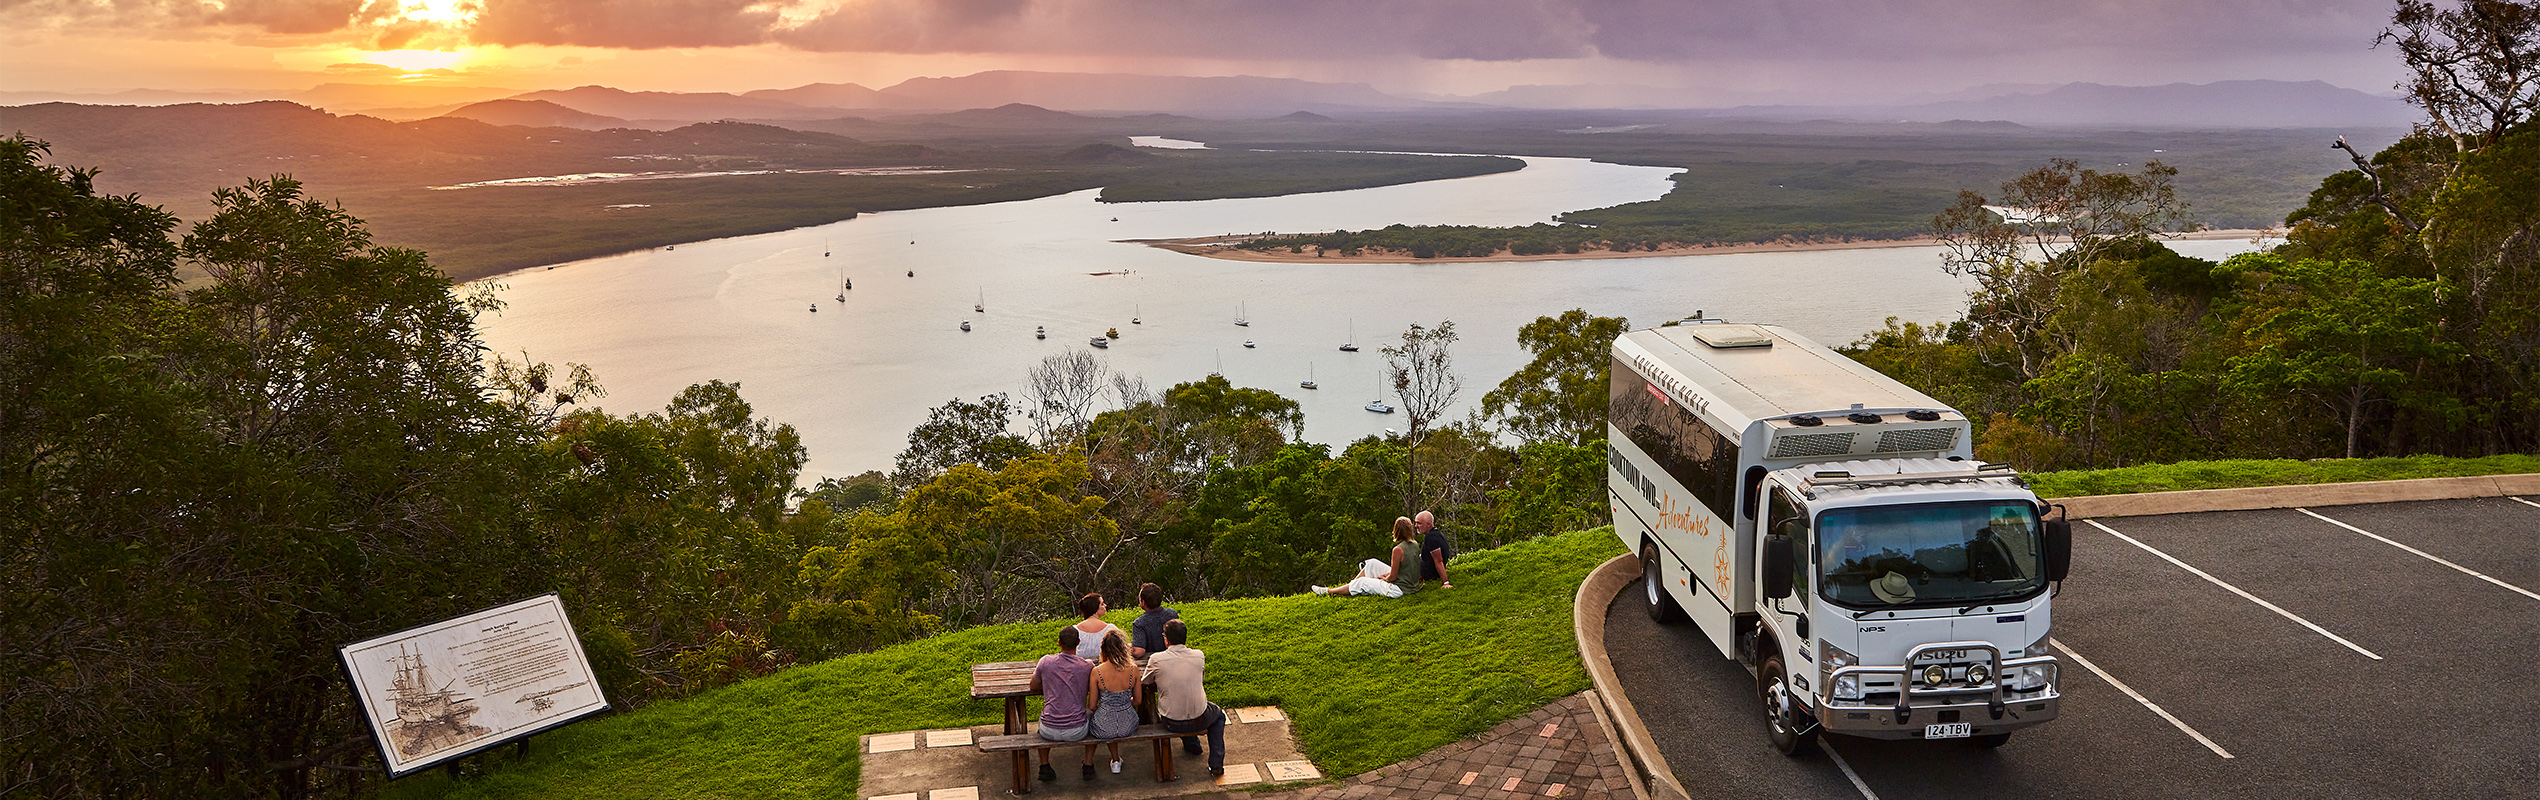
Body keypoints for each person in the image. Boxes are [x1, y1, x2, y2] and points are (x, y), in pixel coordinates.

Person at [1148, 619, 1226, 776]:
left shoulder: (1156, 659)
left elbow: (1147, 682)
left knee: (1178, 705)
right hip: (1200, 718)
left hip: (1171, 721)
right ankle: (1216, 763)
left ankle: (1192, 744)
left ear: (1166, 639)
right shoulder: (1198, 655)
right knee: (1217, 715)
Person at [1028, 626, 1100, 781]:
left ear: (1059, 642)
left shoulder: (1046, 661)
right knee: (1094, 720)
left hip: (1048, 729)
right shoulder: (1087, 666)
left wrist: (1051, 683)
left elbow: (1033, 685)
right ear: (1078, 642)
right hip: (1076, 730)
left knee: (1043, 718)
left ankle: (1044, 766)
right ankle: (1088, 765)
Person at [1310, 517, 1420, 598]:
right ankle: (1350, 587)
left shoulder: (1398, 550)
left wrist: (1385, 579)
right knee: (1372, 563)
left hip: (1400, 590)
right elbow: (1405, 568)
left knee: (1362, 582)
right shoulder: (1415, 544)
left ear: (1396, 530)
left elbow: (1393, 577)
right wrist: (1387, 575)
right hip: (1411, 583)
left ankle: (1329, 591)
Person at [1085, 630, 1143, 775]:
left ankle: (1090, 762)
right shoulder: (1133, 669)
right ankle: (1115, 761)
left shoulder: (1096, 671)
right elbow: (1138, 701)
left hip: (1104, 724)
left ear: (1103, 649)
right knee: (1112, 723)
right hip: (1128, 724)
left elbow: (1092, 706)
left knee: (1094, 720)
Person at [1129, 582, 1180, 660]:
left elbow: (1139, 651)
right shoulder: (1172, 614)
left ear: (1143, 602)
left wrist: (1128, 648)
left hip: (1153, 661)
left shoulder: (1140, 623)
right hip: (1174, 657)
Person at [1070, 592, 1119, 662]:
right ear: (1095, 608)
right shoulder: (1110, 629)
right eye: (1102, 604)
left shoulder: (1073, 631)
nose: (1105, 605)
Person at [1416, 510, 1453, 589]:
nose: (1416, 526)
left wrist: (1445, 582)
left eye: (1419, 523)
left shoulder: (1431, 538)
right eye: (1415, 523)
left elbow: (1439, 560)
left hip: (1429, 575)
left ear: (1428, 524)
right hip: (1427, 568)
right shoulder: (1436, 533)